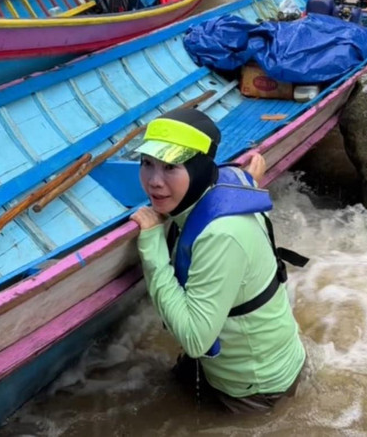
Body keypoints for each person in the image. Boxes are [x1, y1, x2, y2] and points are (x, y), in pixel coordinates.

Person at [130, 108, 307, 413]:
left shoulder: (221, 235)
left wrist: (153, 247)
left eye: (171, 167)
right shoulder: (232, 182)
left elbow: (196, 340)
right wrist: (251, 177)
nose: (154, 182)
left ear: (198, 170)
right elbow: (241, 181)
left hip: (255, 389)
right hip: (257, 356)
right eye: (147, 164)